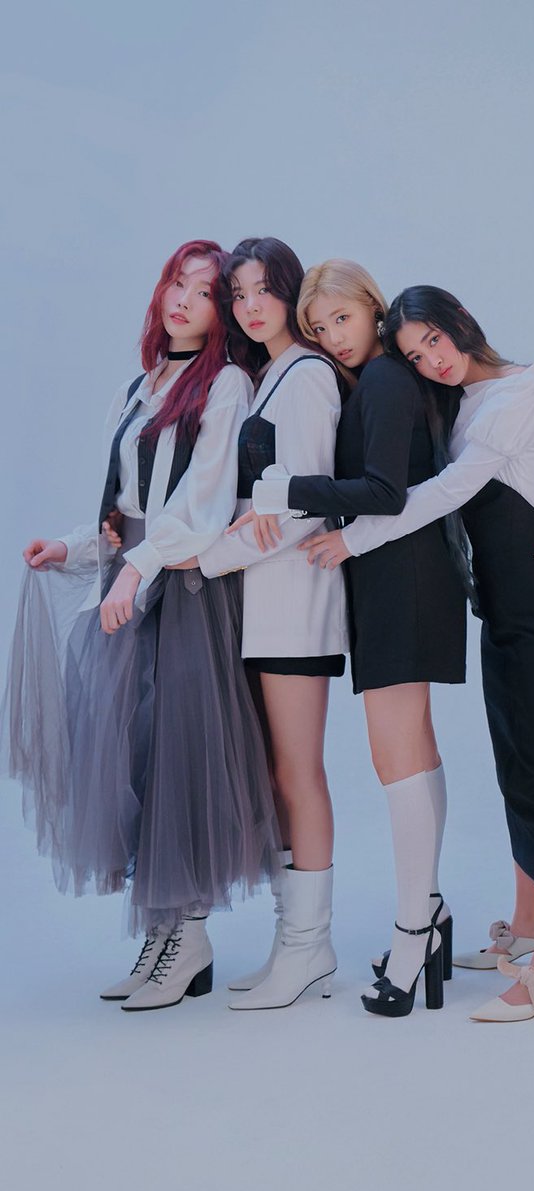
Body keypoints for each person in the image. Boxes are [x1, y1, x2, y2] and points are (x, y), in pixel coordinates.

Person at [304, 286, 534, 1022]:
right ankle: (525, 930)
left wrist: (349, 539)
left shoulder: (521, 391)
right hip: (502, 612)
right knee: (517, 771)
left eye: (434, 340)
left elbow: (443, 492)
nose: (431, 361)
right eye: (413, 355)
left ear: (461, 323)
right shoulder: (465, 400)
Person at [2, 240, 277, 1010]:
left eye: (205, 291)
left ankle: (189, 936)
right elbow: (127, 508)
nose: (184, 299)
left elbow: (201, 506)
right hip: (135, 584)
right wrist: (76, 547)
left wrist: (138, 568)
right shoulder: (144, 384)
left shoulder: (224, 384)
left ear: (223, 313)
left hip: (183, 591)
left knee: (181, 755)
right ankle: (162, 936)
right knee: (138, 756)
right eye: (177, 283)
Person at [242, 259, 467, 1017]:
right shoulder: (373, 382)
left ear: (373, 309)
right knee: (413, 754)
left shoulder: (386, 381)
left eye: (343, 318)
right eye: (321, 326)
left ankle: (412, 934)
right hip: (396, 576)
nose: (335, 336)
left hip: (404, 580)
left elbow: (385, 492)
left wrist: (285, 492)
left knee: (397, 758)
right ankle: (427, 915)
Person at [194, 237, 349, 1010]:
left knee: (298, 774)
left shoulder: (308, 375)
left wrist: (207, 558)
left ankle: (309, 946)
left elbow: (306, 503)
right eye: (239, 294)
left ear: (291, 292)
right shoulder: (266, 378)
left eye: (265, 289)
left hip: (297, 608)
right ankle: (294, 942)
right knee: (278, 780)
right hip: (261, 608)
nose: (252, 306)